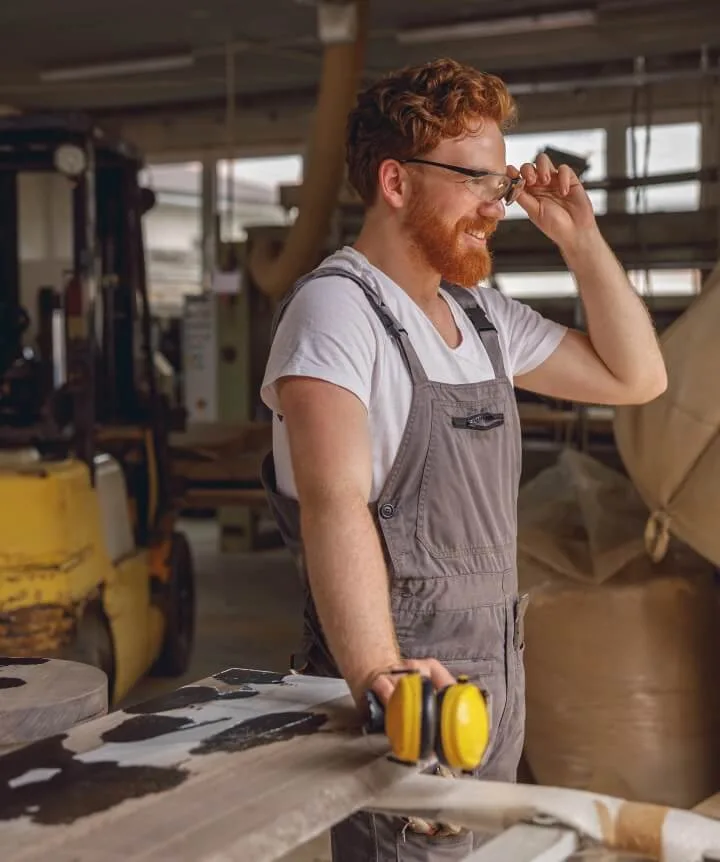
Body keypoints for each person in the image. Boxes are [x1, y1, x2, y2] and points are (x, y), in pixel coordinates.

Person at [260, 57, 667, 860]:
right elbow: (332, 503)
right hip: (415, 697)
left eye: (502, 184)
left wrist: (581, 242)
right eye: (476, 180)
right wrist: (389, 690)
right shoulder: (335, 310)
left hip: (490, 683)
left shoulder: (479, 315)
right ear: (396, 182)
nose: (498, 205)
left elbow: (638, 377)